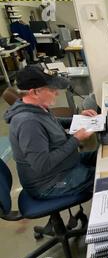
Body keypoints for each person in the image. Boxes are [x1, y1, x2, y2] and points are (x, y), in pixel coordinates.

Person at [4, 65, 97, 199]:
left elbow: (53, 122)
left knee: (100, 155)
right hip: (50, 183)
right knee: (105, 175)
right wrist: (76, 139)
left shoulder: (36, 107)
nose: (57, 93)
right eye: (52, 89)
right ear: (35, 92)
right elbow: (43, 165)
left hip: (64, 164)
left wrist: (78, 119)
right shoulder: (28, 123)